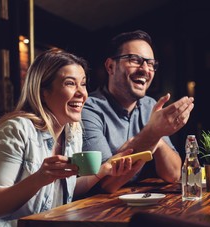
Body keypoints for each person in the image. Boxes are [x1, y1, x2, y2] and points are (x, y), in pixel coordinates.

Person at [0, 49, 132, 227]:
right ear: (43, 91)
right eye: (70, 83)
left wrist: (104, 170)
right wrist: (40, 178)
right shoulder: (16, 129)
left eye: (83, 83)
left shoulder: (72, 131)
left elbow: (65, 189)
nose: (82, 93)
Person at [81, 30, 195, 193]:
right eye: (135, 60)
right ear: (110, 66)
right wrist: (152, 134)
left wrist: (157, 139)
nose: (145, 69)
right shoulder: (88, 108)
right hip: (95, 209)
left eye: (151, 64)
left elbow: (174, 174)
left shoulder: (150, 105)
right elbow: (105, 183)